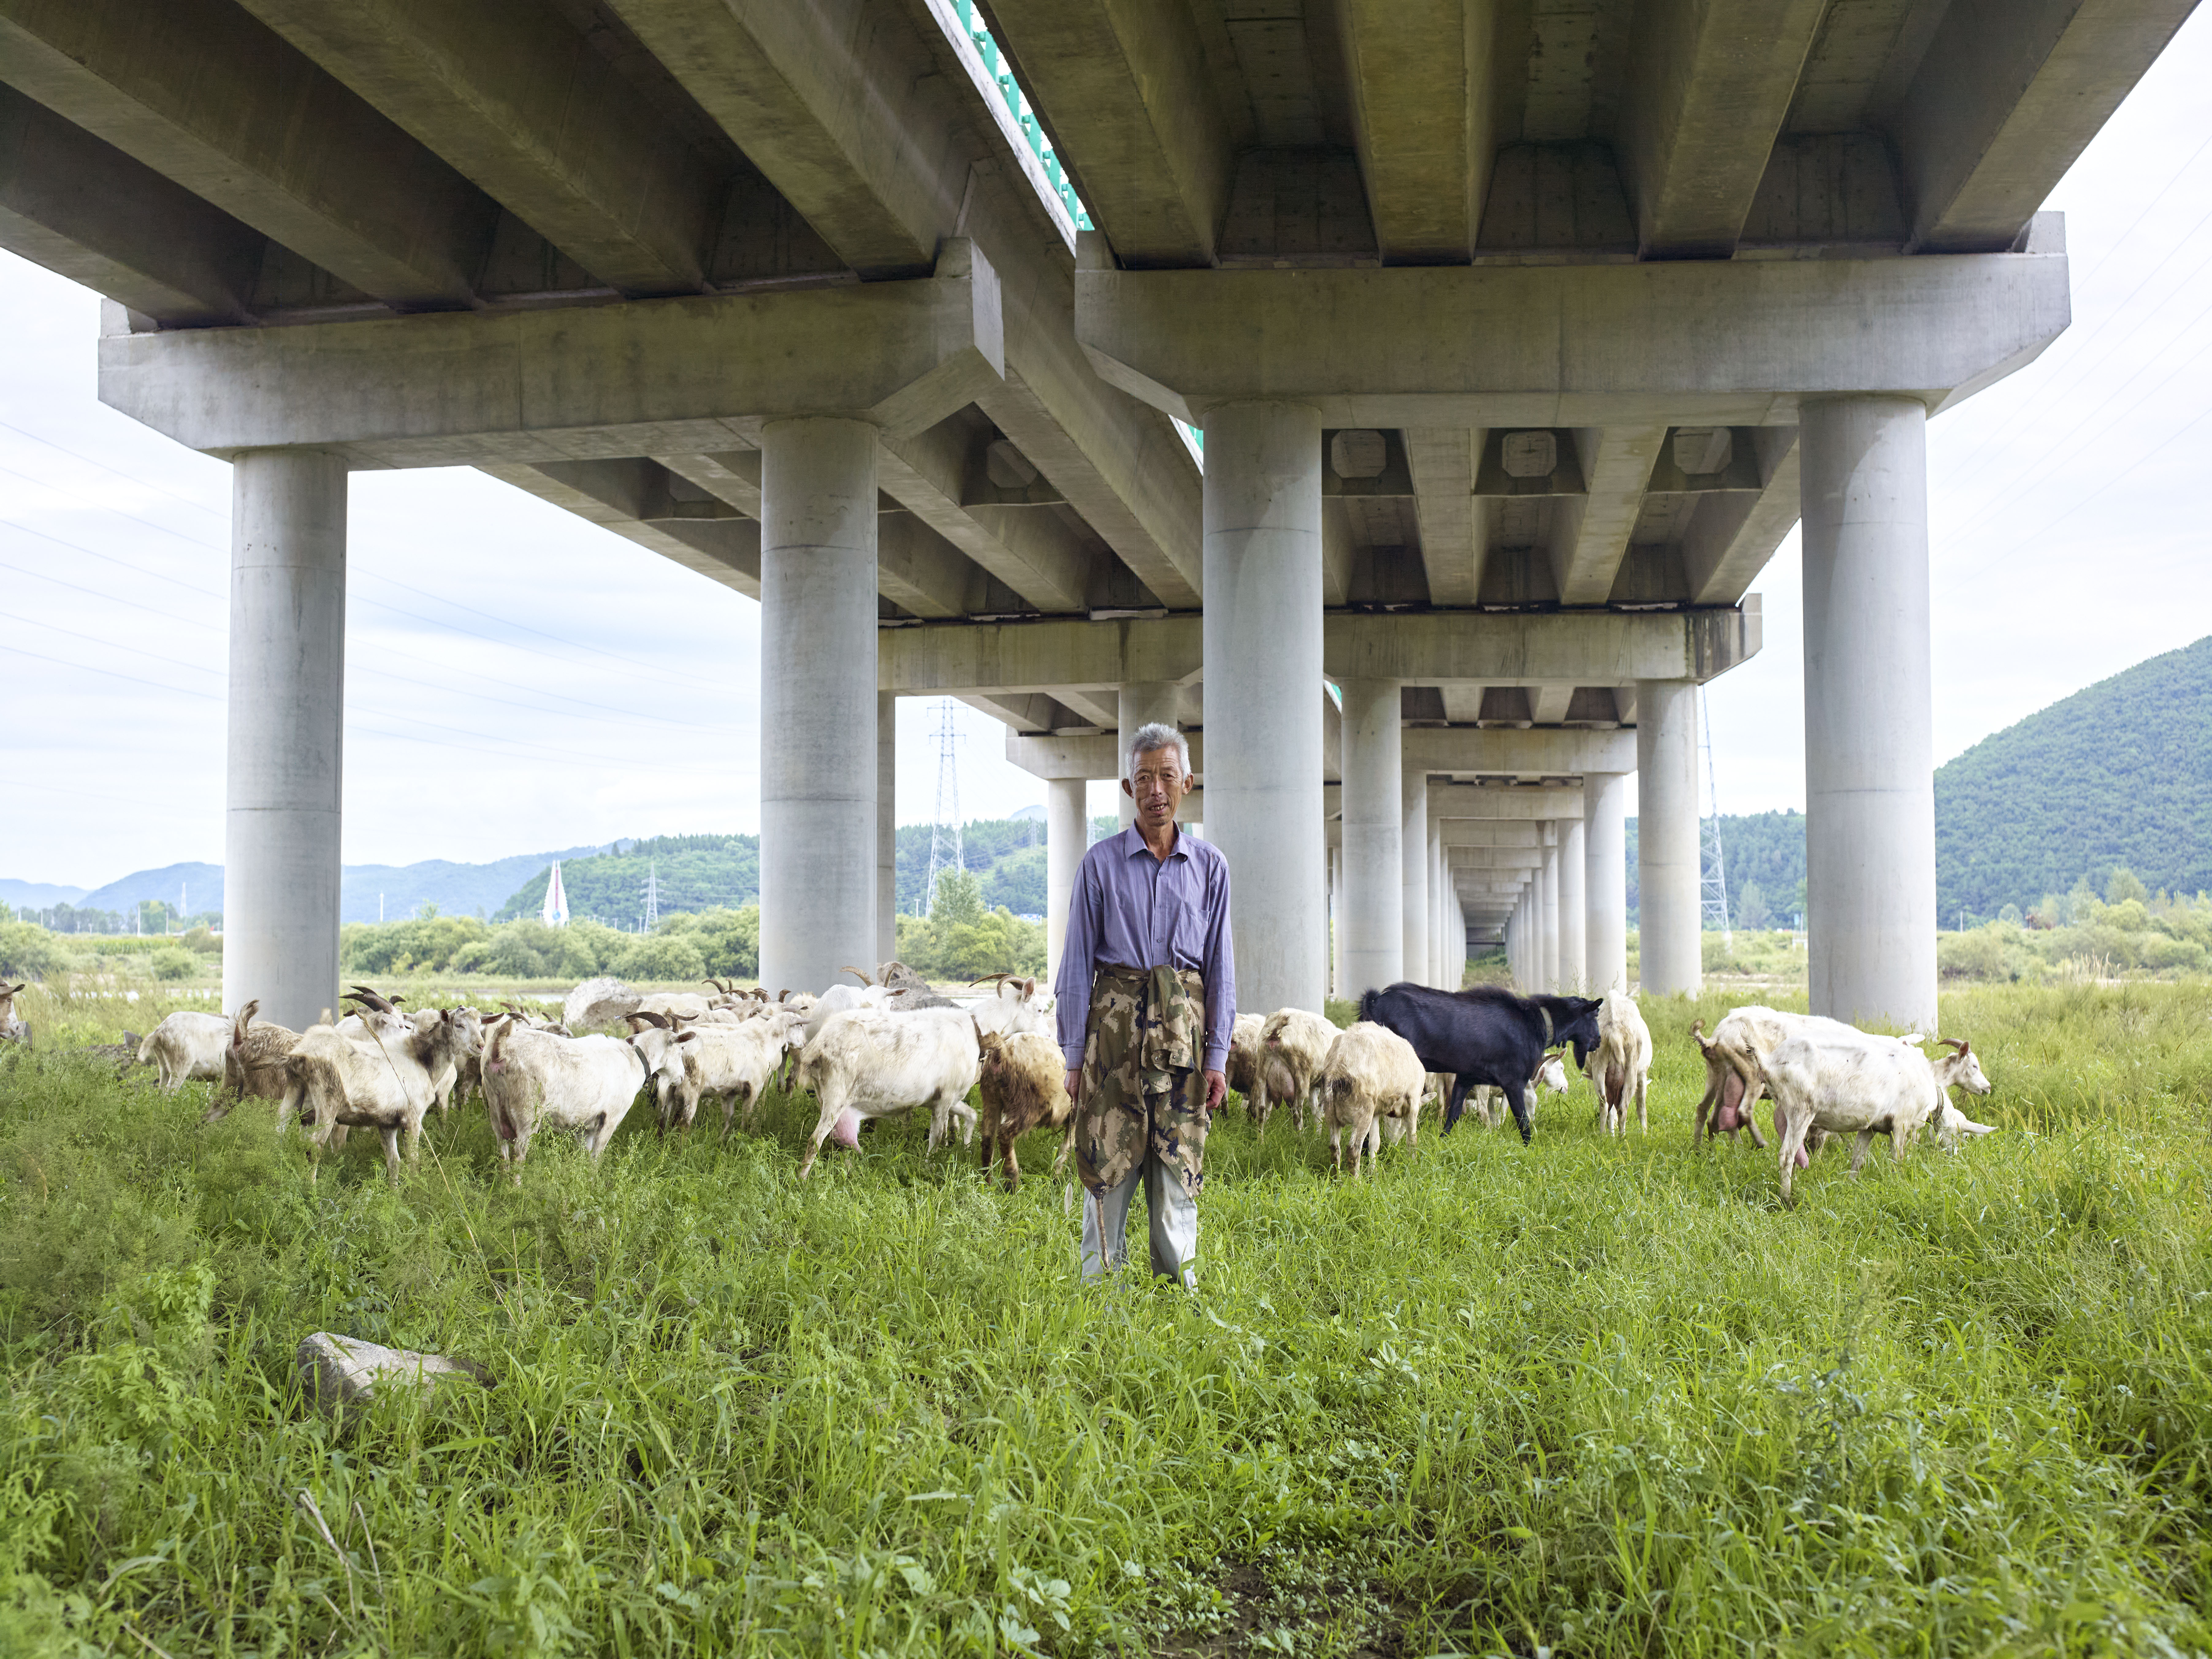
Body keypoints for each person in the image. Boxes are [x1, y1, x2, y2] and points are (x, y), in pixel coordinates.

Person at [1054, 720, 1234, 1285]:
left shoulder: (1210, 868)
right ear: (1129, 789)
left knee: (1177, 1172)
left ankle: (1177, 1301)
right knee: (1108, 1169)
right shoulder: (1099, 865)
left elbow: (1221, 968)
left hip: (1182, 1045)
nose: (1156, 789)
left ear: (1187, 783)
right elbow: (1077, 966)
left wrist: (1218, 1058)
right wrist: (1073, 1059)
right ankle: (1098, 1298)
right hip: (1113, 1043)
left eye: (1167, 776)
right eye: (1144, 778)